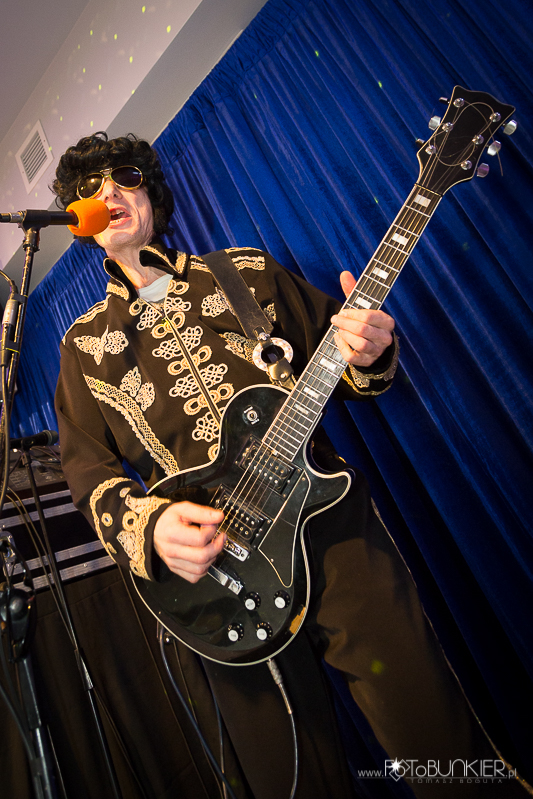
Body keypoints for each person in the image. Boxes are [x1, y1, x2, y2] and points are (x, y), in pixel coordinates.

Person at [52, 132, 527, 798]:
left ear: (151, 194)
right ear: (81, 221)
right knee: (290, 781)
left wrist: (369, 350)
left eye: (125, 176)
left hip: (330, 527)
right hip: (214, 579)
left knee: (433, 736)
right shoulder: (82, 346)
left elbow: (349, 364)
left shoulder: (243, 271)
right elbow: (90, 475)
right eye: (90, 188)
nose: (108, 191)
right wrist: (151, 528)